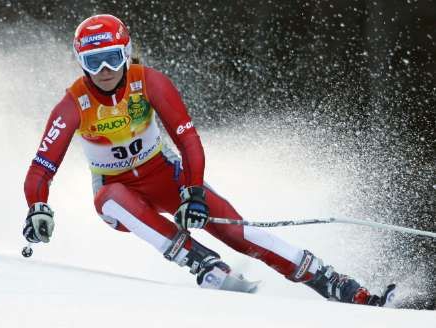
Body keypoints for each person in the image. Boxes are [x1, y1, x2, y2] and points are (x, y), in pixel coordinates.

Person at [23, 14, 390, 305]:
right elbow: (42, 168)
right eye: (93, 62)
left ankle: (339, 285)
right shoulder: (73, 105)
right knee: (109, 198)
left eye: (112, 58)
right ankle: (200, 261)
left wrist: (193, 193)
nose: (104, 71)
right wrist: (37, 207)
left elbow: (188, 141)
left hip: (165, 176)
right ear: (80, 63)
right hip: (120, 195)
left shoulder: (149, 82)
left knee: (236, 231)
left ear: (126, 53)